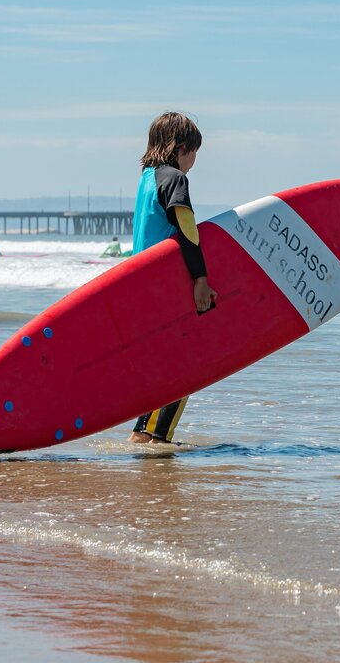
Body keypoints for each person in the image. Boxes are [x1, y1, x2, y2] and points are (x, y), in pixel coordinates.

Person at [128, 111, 217, 445]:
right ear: (181, 147)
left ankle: (141, 433)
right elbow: (188, 231)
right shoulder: (175, 179)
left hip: (139, 284)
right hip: (165, 285)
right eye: (194, 152)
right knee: (186, 364)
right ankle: (159, 438)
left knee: (163, 362)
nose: (194, 161)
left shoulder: (147, 179)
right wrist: (201, 279)